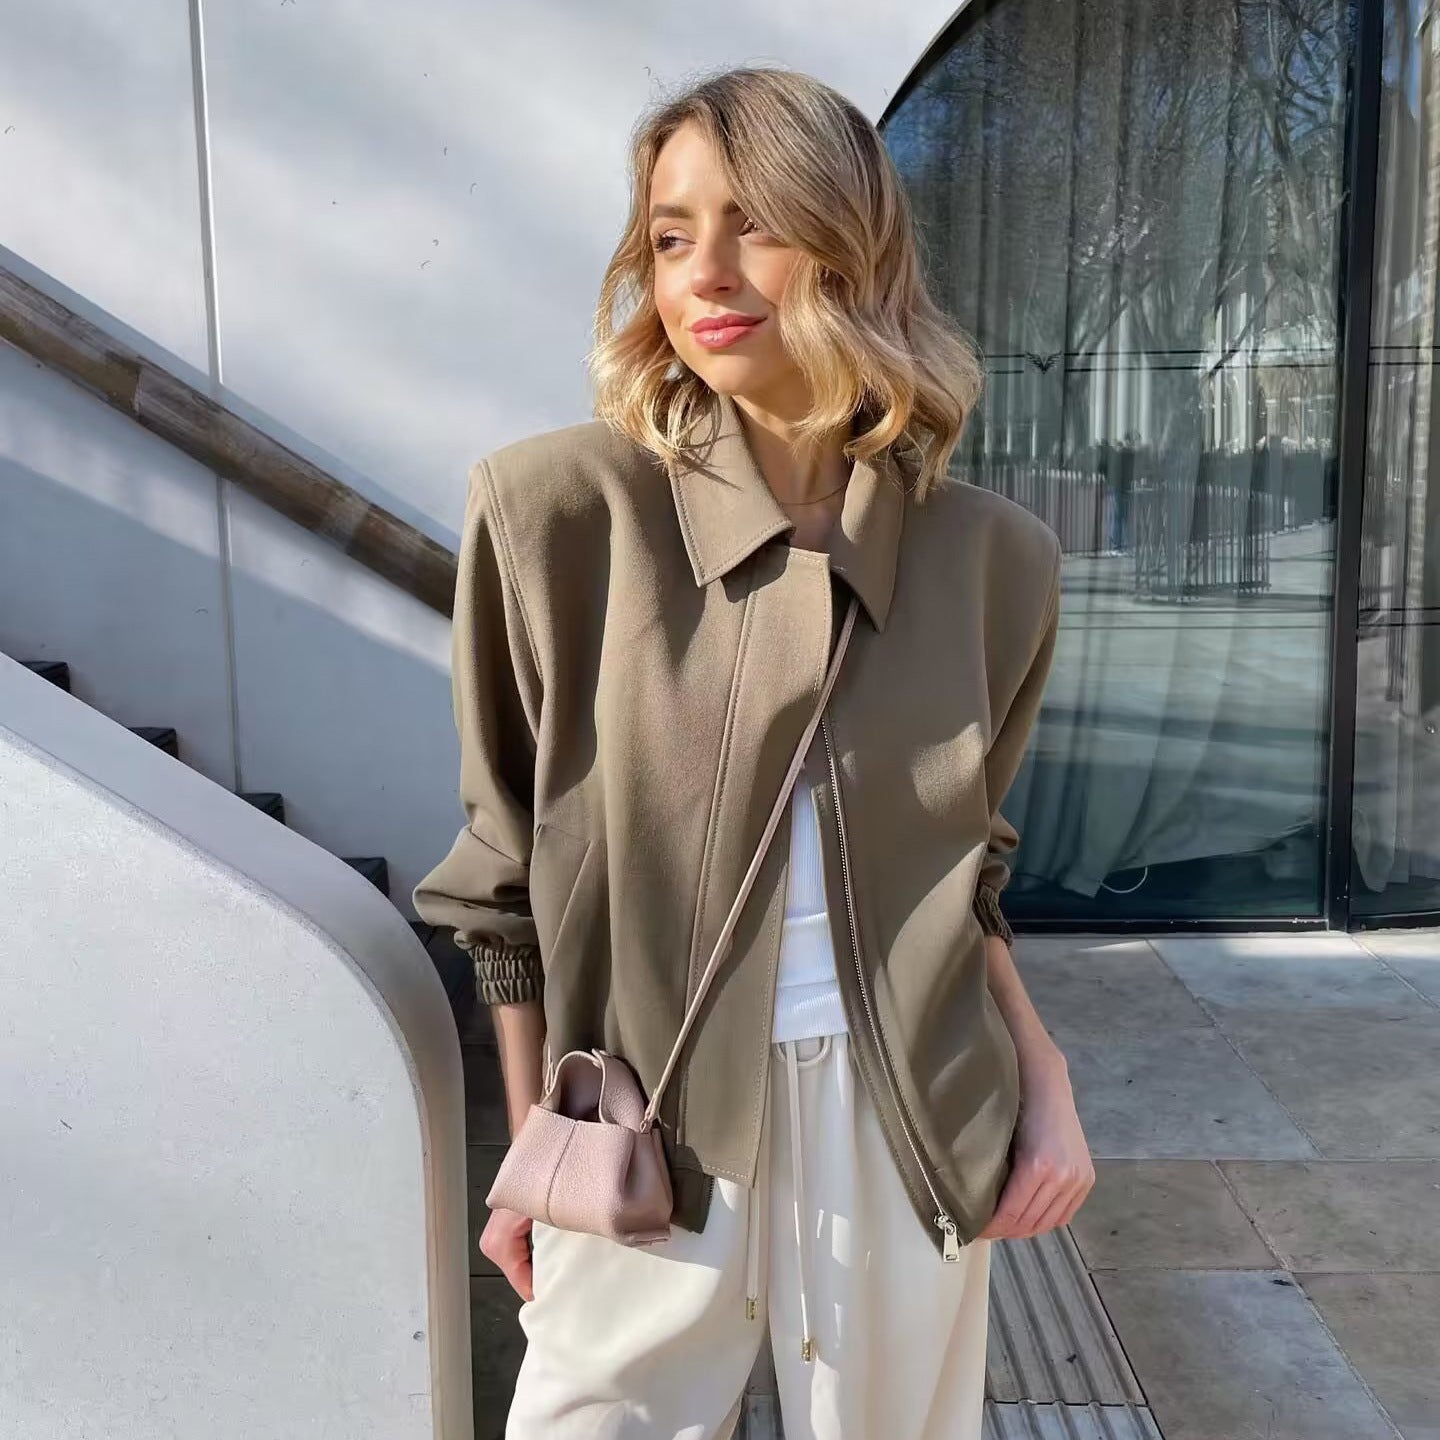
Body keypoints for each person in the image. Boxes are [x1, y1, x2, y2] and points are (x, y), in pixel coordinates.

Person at [413, 63, 1095, 1440]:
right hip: (654, 1122)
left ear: (856, 248)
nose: (707, 273)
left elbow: (966, 873)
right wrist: (535, 1148)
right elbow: (502, 880)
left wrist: (1048, 1080)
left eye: (757, 224)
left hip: (905, 1119)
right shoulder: (559, 516)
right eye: (671, 236)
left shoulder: (993, 561)